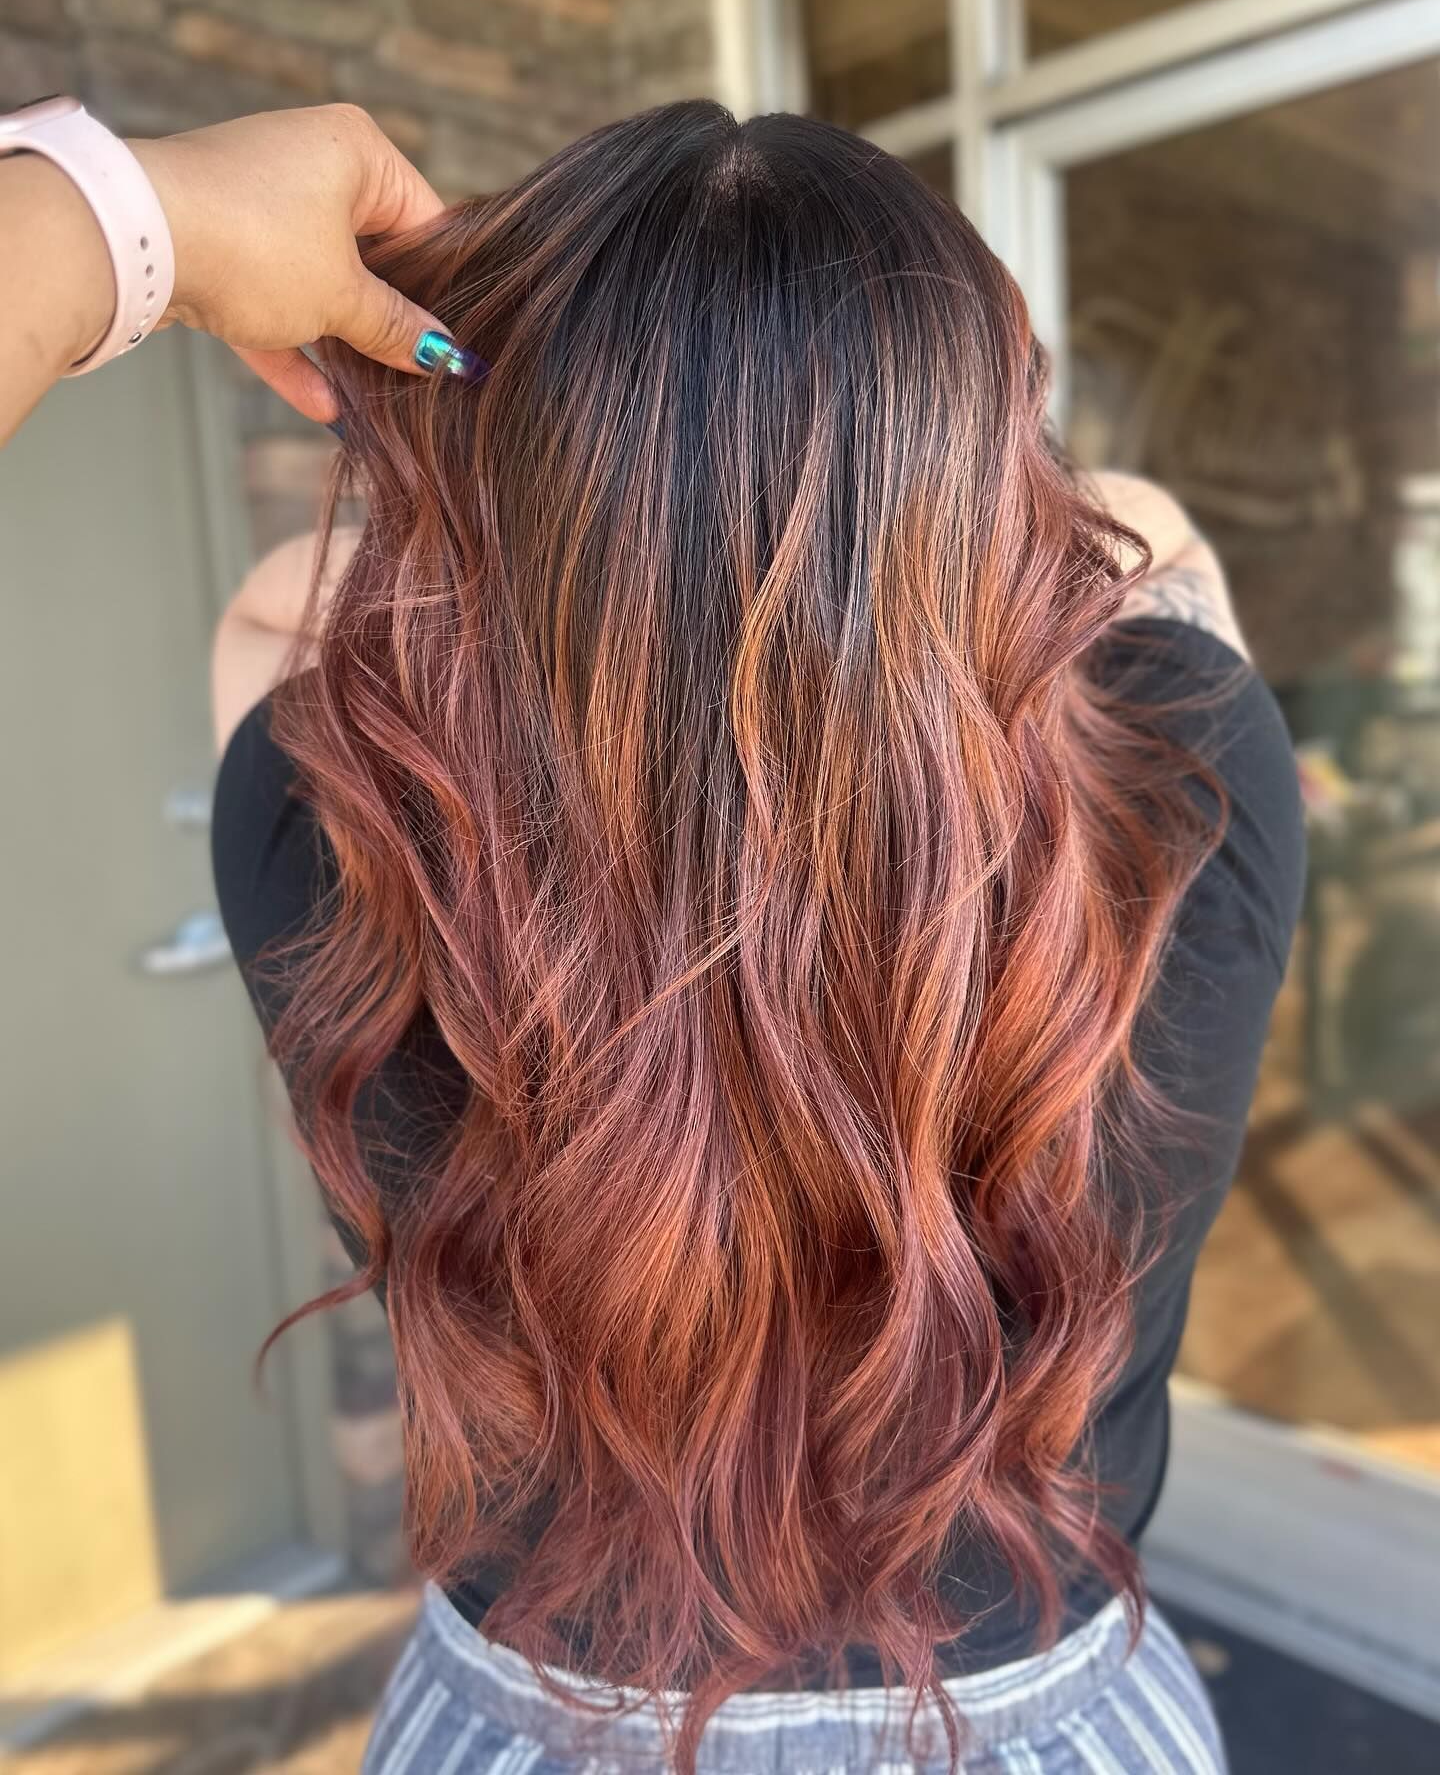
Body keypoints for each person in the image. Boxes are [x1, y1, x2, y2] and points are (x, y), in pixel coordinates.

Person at [4, 99, 1304, 1774]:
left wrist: (137, 221)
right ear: (987, 468)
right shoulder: (1189, 767)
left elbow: (275, 608)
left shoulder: (334, 820)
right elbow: (1151, 541)